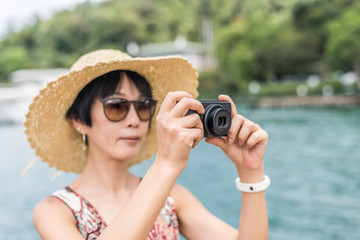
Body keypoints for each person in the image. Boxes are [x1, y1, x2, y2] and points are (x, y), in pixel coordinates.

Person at [24, 49, 269, 240]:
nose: (134, 121)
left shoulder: (173, 197)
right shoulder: (56, 211)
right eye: (116, 107)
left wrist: (251, 173)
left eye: (143, 107)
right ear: (79, 120)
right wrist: (166, 163)